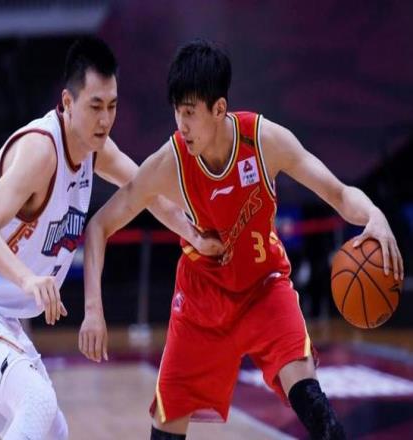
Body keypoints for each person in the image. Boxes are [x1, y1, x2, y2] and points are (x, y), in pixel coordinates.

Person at [82, 39, 404, 440]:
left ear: (219, 109)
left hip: (264, 289)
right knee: (166, 428)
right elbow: (99, 226)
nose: (181, 125)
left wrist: (375, 215)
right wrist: (93, 310)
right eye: (176, 111)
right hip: (201, 301)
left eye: (190, 112)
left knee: (313, 403)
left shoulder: (264, 141)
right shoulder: (170, 162)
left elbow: (338, 194)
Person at [0, 36, 222, 440]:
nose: (105, 119)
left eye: (112, 106)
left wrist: (195, 235)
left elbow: (148, 192)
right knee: (37, 402)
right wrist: (28, 279)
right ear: (67, 102)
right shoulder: (41, 152)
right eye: (95, 106)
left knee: (53, 430)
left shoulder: (96, 151)